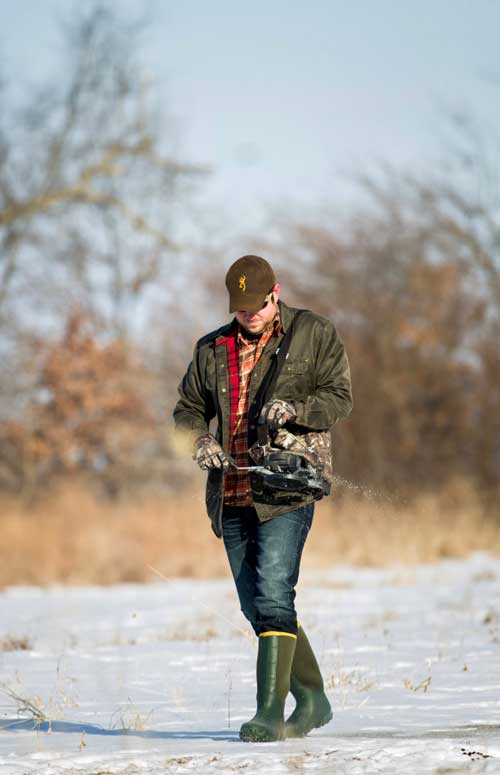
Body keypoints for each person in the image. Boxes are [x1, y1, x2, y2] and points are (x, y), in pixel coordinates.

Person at [173, 255, 352, 742]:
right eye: (240, 307)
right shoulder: (211, 348)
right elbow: (188, 409)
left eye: (256, 305)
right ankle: (313, 700)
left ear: (276, 292)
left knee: (274, 595)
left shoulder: (313, 333)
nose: (249, 314)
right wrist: (201, 441)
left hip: (287, 488)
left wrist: (295, 410)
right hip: (230, 494)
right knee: (257, 606)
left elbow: (340, 397)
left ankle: (268, 715)